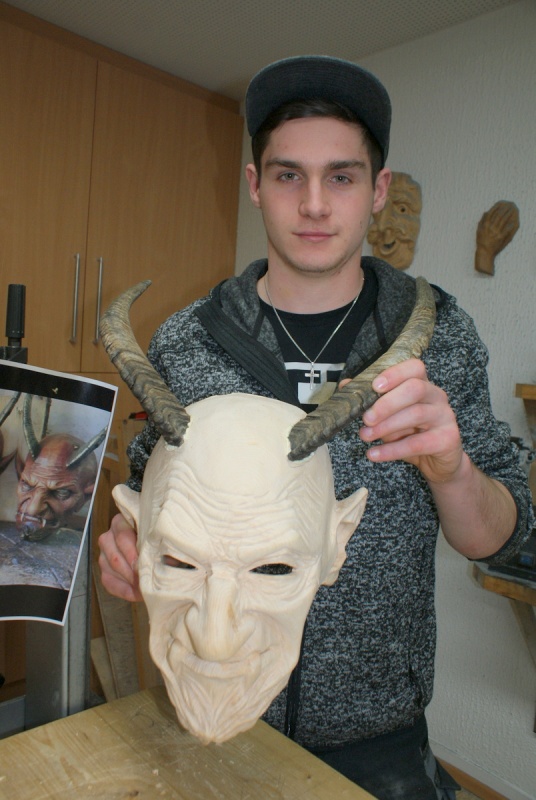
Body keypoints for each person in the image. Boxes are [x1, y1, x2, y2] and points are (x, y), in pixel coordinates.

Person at [98, 56, 533, 800]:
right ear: (254, 184)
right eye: (288, 175)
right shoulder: (185, 343)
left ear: (378, 189)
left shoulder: (440, 338)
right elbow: (147, 500)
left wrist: (454, 469)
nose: (314, 204)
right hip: (208, 704)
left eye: (342, 177)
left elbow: (501, 538)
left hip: (380, 740)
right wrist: (130, 549)